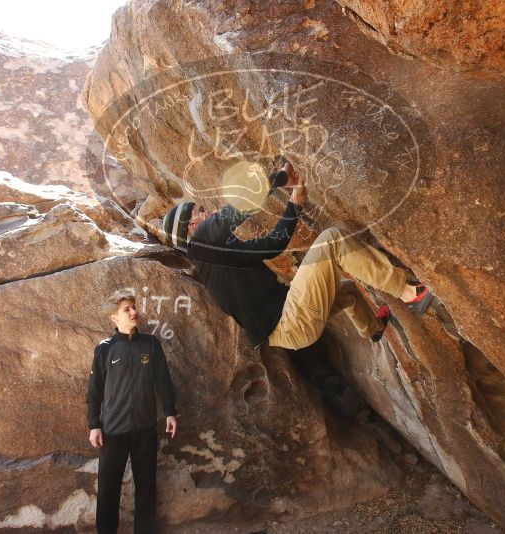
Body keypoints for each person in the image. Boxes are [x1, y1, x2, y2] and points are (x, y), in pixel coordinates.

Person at [162, 158, 434, 351]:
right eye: (200, 211)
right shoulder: (201, 242)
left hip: (290, 333)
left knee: (347, 291)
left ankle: (373, 329)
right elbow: (241, 206)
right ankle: (410, 294)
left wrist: (295, 202)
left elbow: (272, 245)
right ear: (191, 225)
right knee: (332, 239)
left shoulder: (215, 258)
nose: (207, 212)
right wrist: (282, 177)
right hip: (291, 319)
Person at [86, 294, 178, 534]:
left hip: (145, 429)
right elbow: (94, 391)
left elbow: (163, 381)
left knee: (146, 488)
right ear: (115, 318)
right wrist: (94, 424)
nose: (133, 312)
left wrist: (170, 412)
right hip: (113, 431)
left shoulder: (151, 344)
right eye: (127, 309)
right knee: (108, 491)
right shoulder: (105, 349)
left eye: (134, 307)